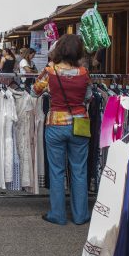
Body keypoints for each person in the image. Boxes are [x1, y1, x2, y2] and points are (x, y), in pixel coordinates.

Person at [33, 35, 92, 226]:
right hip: (80, 123)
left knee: (57, 171)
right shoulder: (84, 72)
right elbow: (89, 96)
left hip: (56, 124)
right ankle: (80, 215)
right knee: (79, 170)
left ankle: (57, 214)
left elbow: (34, 91)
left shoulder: (50, 71)